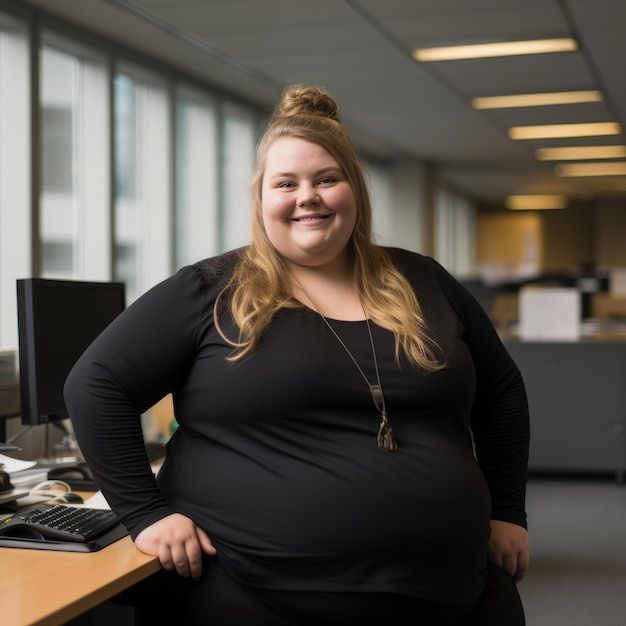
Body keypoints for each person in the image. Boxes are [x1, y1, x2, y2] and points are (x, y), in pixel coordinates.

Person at [64, 84, 530, 625]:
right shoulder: (213, 289)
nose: (307, 196)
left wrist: (507, 511)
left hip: (452, 590)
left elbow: (502, 394)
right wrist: (146, 514)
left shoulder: (423, 280)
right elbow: (95, 385)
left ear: (354, 190)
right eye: (286, 183)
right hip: (256, 595)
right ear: (262, 199)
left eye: (326, 179)